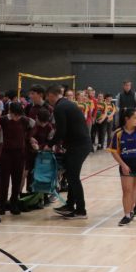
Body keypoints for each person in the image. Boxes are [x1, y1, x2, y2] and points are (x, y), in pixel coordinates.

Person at [49, 85, 91, 219]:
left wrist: (49, 144)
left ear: (51, 95)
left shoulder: (59, 107)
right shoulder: (67, 104)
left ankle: (81, 210)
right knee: (71, 175)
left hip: (79, 146)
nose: (48, 100)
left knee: (73, 177)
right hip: (78, 145)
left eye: (48, 97)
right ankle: (69, 205)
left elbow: (61, 131)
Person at [0, 101, 31, 216]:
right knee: (4, 181)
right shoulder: (2, 120)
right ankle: (2, 204)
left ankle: (14, 203)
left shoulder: (25, 120)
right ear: (10, 111)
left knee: (17, 181)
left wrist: (29, 138)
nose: (16, 118)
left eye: (19, 115)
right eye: (14, 115)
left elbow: (33, 126)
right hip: (5, 154)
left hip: (19, 154)